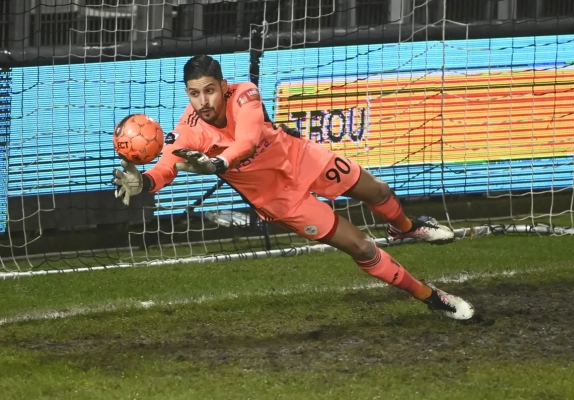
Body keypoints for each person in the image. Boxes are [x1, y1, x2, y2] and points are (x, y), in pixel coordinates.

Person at [112, 55, 475, 321]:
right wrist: (145, 182)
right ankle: (431, 297)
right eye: (194, 94)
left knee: (378, 191)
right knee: (362, 247)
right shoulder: (188, 129)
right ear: (187, 94)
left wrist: (219, 163)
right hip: (280, 200)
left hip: (301, 158)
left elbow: (247, 141)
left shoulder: (245, 94)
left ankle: (405, 228)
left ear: (223, 86)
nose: (203, 101)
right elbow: (166, 166)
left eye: (209, 91)